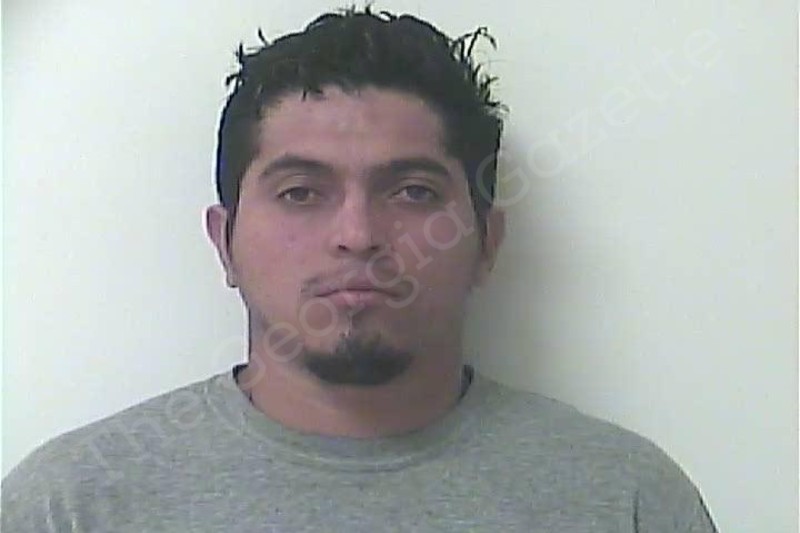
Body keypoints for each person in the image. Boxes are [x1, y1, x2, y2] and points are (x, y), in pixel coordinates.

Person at [2, 7, 718, 532]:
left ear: (486, 242)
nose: (358, 235)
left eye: (413, 192)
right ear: (225, 243)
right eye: (300, 192)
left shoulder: (626, 501)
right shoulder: (69, 506)